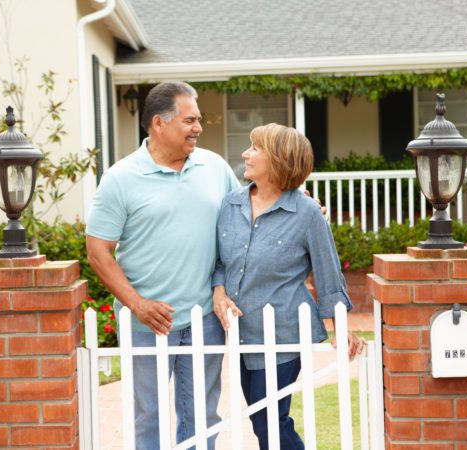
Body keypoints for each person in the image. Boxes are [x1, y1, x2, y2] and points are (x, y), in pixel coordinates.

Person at [85, 81, 240, 449]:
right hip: (147, 322)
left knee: (202, 416)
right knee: (148, 416)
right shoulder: (120, 178)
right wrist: (138, 305)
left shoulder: (214, 167)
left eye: (198, 119)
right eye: (189, 120)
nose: (198, 128)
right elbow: (98, 251)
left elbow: (246, 215)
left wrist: (300, 206)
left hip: (204, 317)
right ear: (159, 123)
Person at [212, 123, 366, 450]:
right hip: (241, 334)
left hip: (283, 333)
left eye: (256, 148)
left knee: (269, 420)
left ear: (280, 160)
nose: (246, 154)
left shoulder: (307, 213)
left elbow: (328, 273)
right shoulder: (230, 204)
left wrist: (340, 325)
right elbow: (220, 263)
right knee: (260, 419)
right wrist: (219, 290)